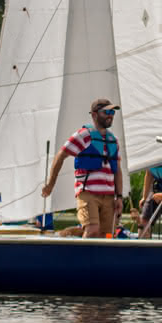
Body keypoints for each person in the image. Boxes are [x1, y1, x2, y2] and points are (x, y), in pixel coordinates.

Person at [41, 98, 122, 238]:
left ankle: (94, 256)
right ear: (95, 115)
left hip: (108, 196)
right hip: (88, 193)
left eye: (112, 112)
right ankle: (80, 257)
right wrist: (50, 184)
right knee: (92, 230)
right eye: (107, 112)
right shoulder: (83, 135)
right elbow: (61, 155)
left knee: (107, 235)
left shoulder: (113, 140)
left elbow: (117, 171)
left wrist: (119, 197)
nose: (111, 115)